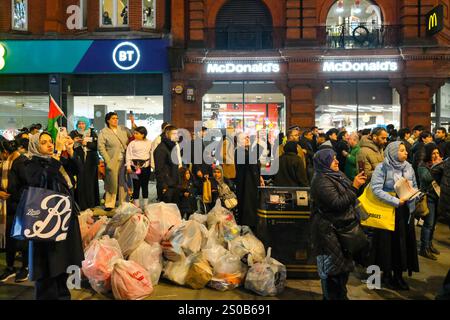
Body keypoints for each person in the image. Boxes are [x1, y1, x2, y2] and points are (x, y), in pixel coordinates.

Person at [25, 132, 84, 299]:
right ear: (36, 146)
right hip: (46, 222)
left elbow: (79, 169)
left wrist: (70, 151)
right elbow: (42, 180)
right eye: (44, 143)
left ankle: (63, 294)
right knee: (48, 264)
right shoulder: (31, 164)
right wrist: (57, 155)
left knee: (64, 260)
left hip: (65, 217)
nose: (50, 145)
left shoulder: (56, 161)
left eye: (51, 141)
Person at [310, 149, 367, 300]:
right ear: (324, 162)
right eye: (332, 159)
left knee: (342, 270)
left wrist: (357, 185)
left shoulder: (337, 175)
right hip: (328, 232)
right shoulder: (321, 180)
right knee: (332, 272)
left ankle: (339, 295)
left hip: (341, 230)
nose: (337, 161)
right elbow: (337, 203)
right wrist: (354, 186)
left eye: (336, 158)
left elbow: (348, 195)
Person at [369, 141, 419, 291]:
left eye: (405, 151)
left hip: (404, 213)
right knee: (386, 245)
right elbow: (376, 189)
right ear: (392, 152)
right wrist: (396, 200)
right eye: (402, 150)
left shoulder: (408, 167)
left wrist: (415, 195)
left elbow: (414, 185)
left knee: (402, 244)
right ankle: (386, 275)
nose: (406, 153)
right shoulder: (382, 167)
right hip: (387, 212)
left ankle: (398, 275)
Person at [0, 140, 29, 283]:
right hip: (7, 206)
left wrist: (14, 196)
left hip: (20, 205)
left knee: (21, 237)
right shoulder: (5, 163)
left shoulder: (20, 162)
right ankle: (10, 267)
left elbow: (28, 185)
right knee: (9, 237)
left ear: (5, 151)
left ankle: (25, 267)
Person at [98, 112, 133, 211]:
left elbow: (134, 133)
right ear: (108, 120)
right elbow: (101, 147)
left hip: (125, 159)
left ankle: (124, 203)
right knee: (111, 182)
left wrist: (132, 122)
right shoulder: (103, 132)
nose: (116, 120)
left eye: (116, 118)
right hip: (112, 160)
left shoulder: (122, 128)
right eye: (113, 118)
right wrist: (107, 160)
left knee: (123, 182)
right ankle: (109, 204)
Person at [417, 143, 442, 260]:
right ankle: (424, 248)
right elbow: (426, 178)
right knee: (428, 224)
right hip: (428, 198)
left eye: (437, 153)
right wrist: (436, 167)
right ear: (428, 154)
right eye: (433, 153)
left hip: (437, 197)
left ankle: (429, 244)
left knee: (434, 224)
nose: (436, 155)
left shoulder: (439, 165)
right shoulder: (422, 165)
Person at [235, 132, 265, 229]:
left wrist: (260, 177)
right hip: (245, 185)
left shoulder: (246, 151)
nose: (248, 139)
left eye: (248, 137)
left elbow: (254, 165)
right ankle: (246, 230)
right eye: (245, 138)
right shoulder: (239, 151)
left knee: (250, 207)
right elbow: (250, 161)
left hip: (251, 183)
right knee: (246, 209)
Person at [69, 117, 100, 210]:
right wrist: (74, 142)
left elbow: (96, 146)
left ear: (86, 124)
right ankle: (80, 204)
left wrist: (86, 143)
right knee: (80, 182)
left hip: (91, 161)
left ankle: (91, 203)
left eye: (83, 123)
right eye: (79, 123)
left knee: (90, 182)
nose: (81, 125)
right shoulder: (73, 133)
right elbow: (68, 144)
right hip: (78, 160)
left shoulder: (92, 133)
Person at [126, 126, 152, 208]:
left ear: (143, 134)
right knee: (136, 186)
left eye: (137, 133)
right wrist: (128, 167)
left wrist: (153, 165)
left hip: (146, 167)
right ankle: (136, 206)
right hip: (135, 167)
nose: (134, 134)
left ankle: (145, 205)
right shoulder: (132, 143)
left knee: (145, 186)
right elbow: (128, 155)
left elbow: (152, 155)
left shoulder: (149, 143)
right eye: (134, 133)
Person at [154, 125, 181, 204]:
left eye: (177, 133)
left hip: (174, 184)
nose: (176, 136)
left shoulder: (171, 147)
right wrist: (163, 186)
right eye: (174, 134)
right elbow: (159, 170)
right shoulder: (161, 149)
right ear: (167, 134)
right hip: (167, 186)